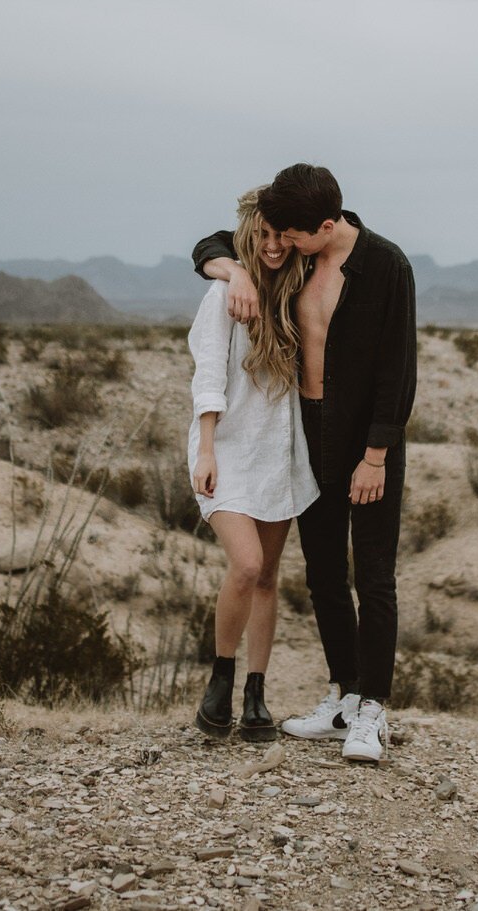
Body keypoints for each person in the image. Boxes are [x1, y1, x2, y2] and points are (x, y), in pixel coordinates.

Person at [192, 163, 416, 764]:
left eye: (290, 233)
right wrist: (233, 267)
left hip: (368, 444)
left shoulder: (386, 266)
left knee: (372, 576)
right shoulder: (293, 264)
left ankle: (372, 709)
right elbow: (214, 243)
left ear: (322, 225)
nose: (280, 242)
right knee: (322, 577)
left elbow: (399, 369)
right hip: (306, 436)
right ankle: (341, 696)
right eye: (275, 234)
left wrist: (376, 456)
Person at [186, 188, 321, 742]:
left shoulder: (298, 289)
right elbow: (209, 370)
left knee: (267, 576)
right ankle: (220, 678)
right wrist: (207, 447)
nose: (271, 247)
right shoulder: (224, 294)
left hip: (279, 451)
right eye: (260, 236)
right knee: (244, 565)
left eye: (279, 236)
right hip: (229, 449)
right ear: (246, 234)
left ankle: (256, 694)